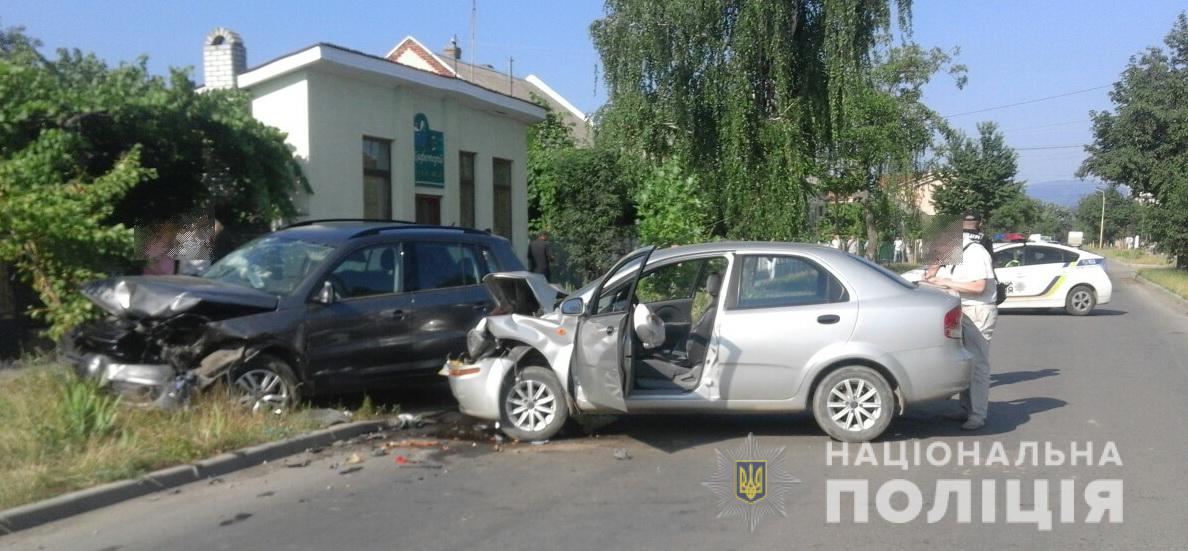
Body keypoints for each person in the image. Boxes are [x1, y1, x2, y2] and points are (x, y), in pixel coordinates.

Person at [923, 213, 998, 431]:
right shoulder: (954, 253)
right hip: (959, 309)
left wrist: (948, 282)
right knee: (965, 361)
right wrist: (937, 266)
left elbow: (978, 287)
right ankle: (966, 408)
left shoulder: (976, 253)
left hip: (978, 310)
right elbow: (930, 275)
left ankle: (978, 415)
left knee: (977, 364)